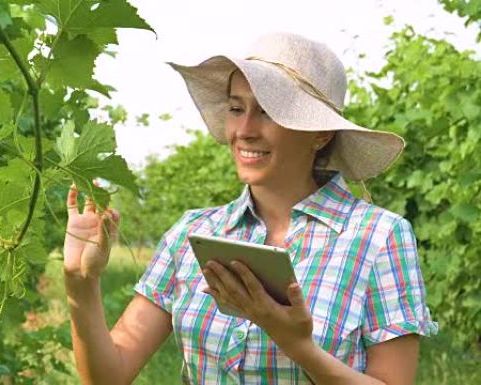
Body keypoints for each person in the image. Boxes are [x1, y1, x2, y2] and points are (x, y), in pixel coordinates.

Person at [63, 32, 437, 385]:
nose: (244, 129)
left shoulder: (377, 236)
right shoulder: (194, 232)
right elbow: (109, 376)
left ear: (320, 134)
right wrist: (81, 284)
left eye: (268, 112)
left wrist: (298, 346)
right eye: (236, 108)